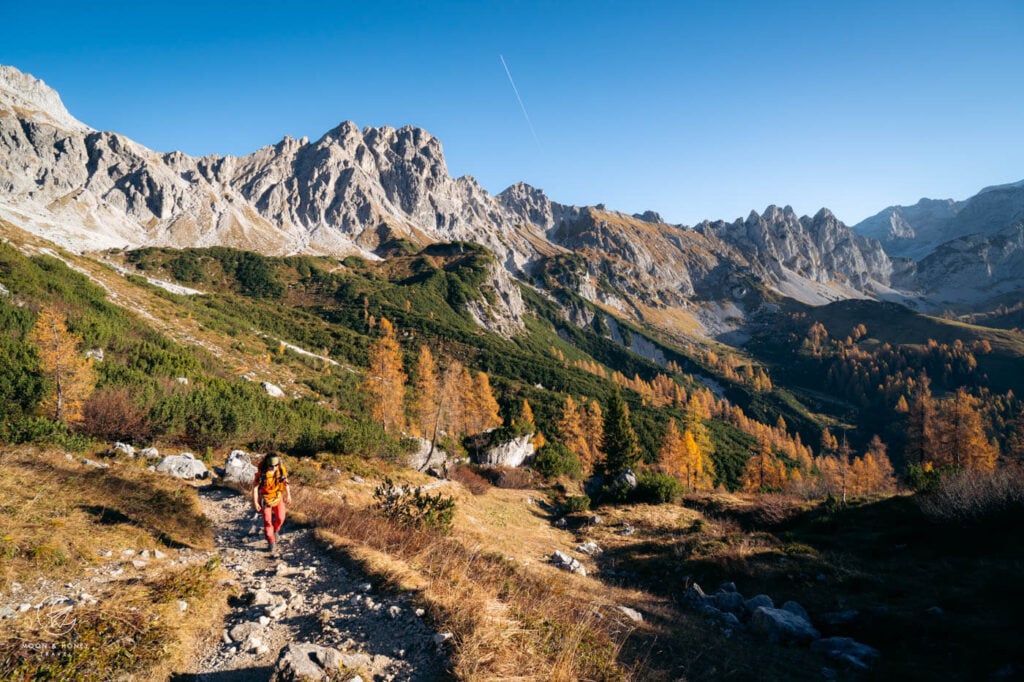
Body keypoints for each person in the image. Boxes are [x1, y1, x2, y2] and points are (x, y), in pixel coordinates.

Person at [252, 452, 292, 554]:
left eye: (276, 465)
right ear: (267, 464)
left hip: (278, 496)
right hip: (265, 499)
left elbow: (285, 483)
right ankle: (271, 541)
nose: (274, 467)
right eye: (271, 466)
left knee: (281, 518)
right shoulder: (261, 475)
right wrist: (256, 502)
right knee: (267, 521)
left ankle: (276, 530)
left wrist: (288, 495)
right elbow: (255, 489)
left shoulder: (281, 471)